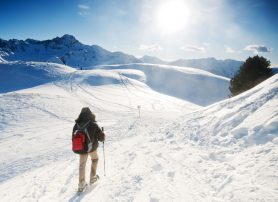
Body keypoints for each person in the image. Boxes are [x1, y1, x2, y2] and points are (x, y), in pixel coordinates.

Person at [72, 107, 105, 191]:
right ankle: (93, 177)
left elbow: (73, 137)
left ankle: (81, 184)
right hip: (91, 148)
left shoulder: (76, 125)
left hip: (81, 148)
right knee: (95, 159)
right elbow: (101, 138)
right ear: (90, 114)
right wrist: (103, 135)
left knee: (82, 165)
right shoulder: (93, 124)